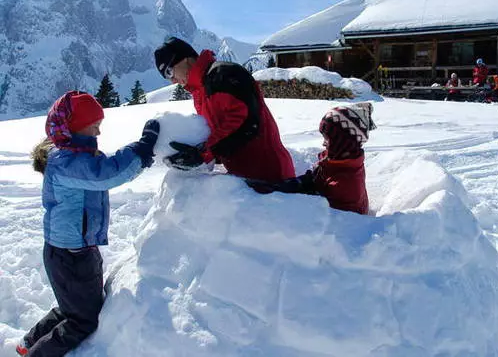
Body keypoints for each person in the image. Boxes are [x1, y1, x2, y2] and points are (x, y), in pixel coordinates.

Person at [17, 91, 159, 357]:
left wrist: (137, 158)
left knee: (71, 307)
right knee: (83, 320)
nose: (99, 132)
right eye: (94, 125)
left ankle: (27, 345)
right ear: (74, 126)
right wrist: (140, 150)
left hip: (71, 249)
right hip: (72, 254)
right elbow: (104, 174)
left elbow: (104, 167)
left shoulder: (74, 154)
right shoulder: (67, 162)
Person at [154, 37, 294, 182]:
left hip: (270, 176)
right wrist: (194, 151)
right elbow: (221, 137)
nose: (173, 81)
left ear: (185, 59)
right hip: (245, 178)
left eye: (169, 72)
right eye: (167, 77)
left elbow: (246, 125)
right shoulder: (201, 92)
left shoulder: (224, 75)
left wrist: (205, 152)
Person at [246, 102, 376, 215]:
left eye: (327, 138)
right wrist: (280, 187)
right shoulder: (337, 160)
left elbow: (329, 222)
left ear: (342, 141)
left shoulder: (346, 185)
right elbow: (313, 179)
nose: (323, 143)